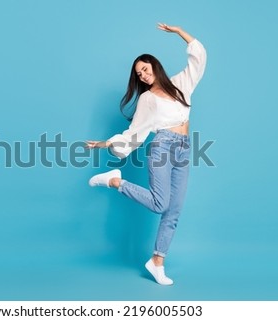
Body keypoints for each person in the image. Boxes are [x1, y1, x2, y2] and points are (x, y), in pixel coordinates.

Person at [85, 23, 207, 285]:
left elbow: (198, 58)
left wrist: (179, 32)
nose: (142, 75)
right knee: (160, 203)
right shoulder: (147, 99)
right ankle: (115, 181)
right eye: (138, 74)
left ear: (154, 66)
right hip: (162, 147)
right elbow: (135, 132)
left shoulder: (179, 85)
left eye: (144, 69)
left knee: (173, 211)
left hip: (184, 150)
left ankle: (157, 262)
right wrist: (107, 144)